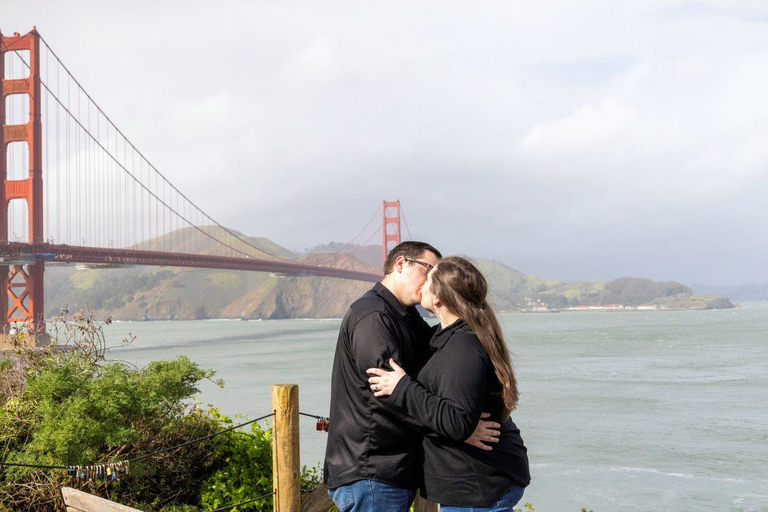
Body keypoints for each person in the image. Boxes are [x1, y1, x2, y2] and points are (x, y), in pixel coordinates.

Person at [367, 256, 531, 511]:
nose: (422, 283)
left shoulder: (463, 348)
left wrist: (402, 388)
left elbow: (457, 422)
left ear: (439, 298)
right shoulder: (444, 336)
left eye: (429, 278)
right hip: (472, 484)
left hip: (478, 488)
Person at [323, 241, 442, 511]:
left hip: (386, 469)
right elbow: (390, 395)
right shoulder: (374, 316)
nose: (431, 281)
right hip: (372, 470)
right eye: (428, 270)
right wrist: (457, 427)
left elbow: (438, 349)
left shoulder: (403, 314)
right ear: (400, 264)